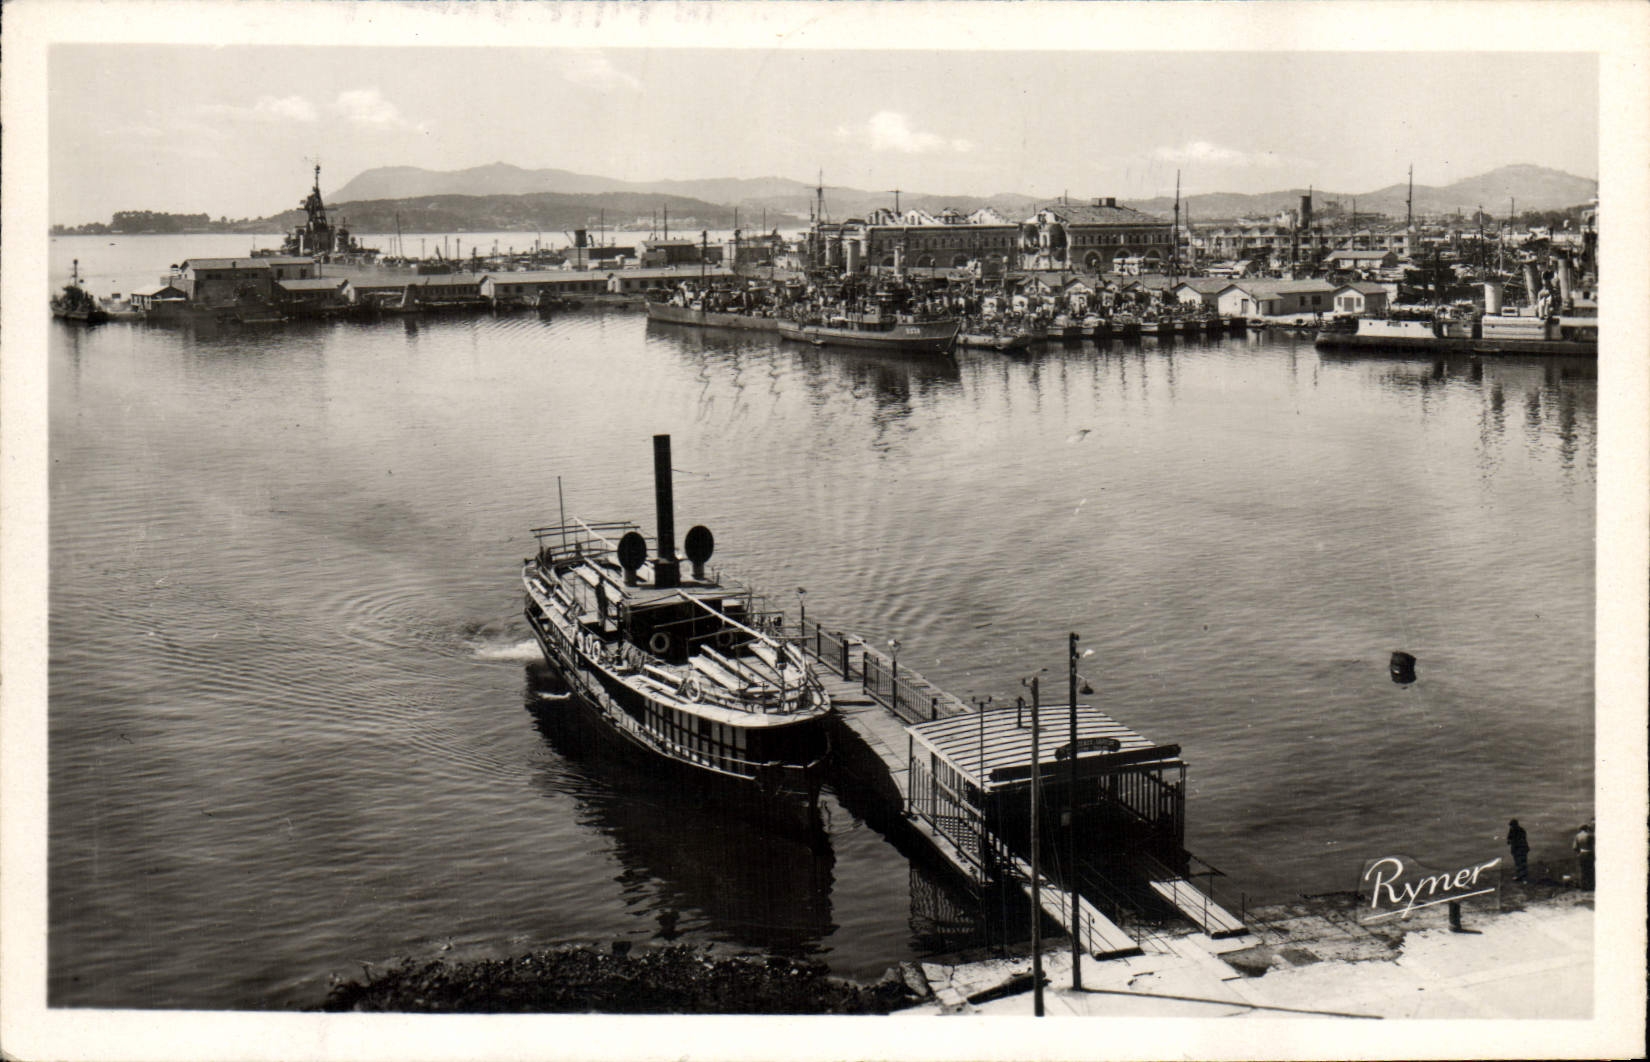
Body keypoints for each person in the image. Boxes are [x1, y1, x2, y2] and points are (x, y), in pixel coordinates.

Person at [1507, 819, 1530, 883]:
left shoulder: (1515, 831)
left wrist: (1511, 841)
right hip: (1520, 850)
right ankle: (1521, 877)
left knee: (1521, 864)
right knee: (1520, 864)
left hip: (1519, 850)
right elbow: (1509, 840)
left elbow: (1509, 841)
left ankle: (1523, 878)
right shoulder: (1521, 830)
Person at [1573, 822, 1594, 890]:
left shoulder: (1577, 836)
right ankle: (1590, 886)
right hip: (1589, 853)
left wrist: (1579, 853)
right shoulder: (1589, 836)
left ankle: (1583, 887)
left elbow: (1575, 847)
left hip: (1582, 854)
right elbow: (1593, 845)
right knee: (1590, 870)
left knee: (1583, 870)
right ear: (1586, 829)